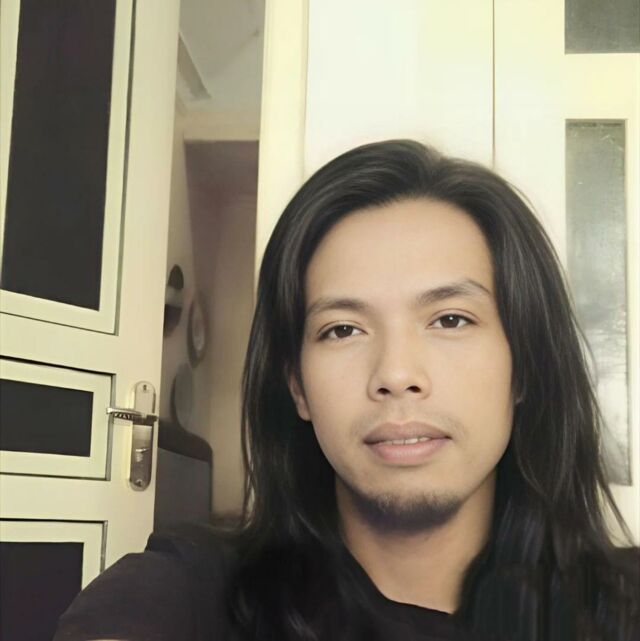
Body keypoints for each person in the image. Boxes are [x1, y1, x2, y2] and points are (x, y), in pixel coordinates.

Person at [55, 140, 639, 641]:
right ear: (298, 387)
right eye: (342, 329)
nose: (396, 373)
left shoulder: (621, 604)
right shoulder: (198, 589)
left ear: (526, 366)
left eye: (450, 319)